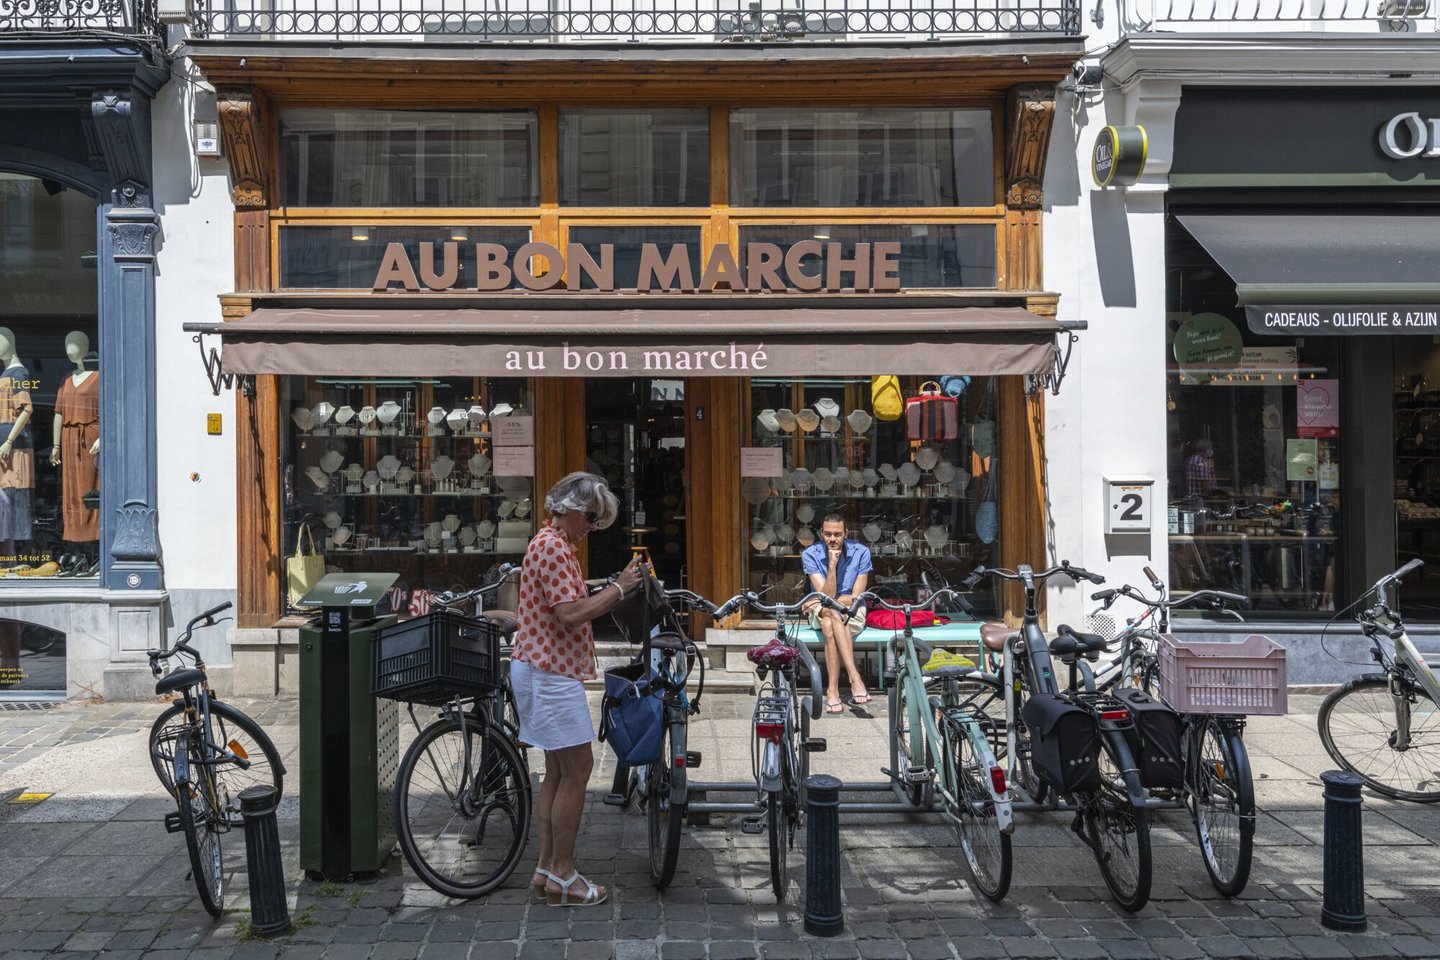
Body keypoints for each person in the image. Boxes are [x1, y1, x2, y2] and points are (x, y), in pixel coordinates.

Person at [510, 471, 644, 908]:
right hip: (548, 673)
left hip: (544, 669)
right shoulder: (552, 547)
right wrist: (619, 588)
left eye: (598, 520)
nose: (593, 526)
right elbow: (569, 614)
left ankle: (547, 869)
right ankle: (564, 875)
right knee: (579, 768)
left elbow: (565, 603)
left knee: (558, 771)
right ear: (567, 507)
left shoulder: (554, 544)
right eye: (590, 517)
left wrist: (611, 588)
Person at [801, 512, 873, 713]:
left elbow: (856, 596)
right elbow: (826, 597)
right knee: (832, 613)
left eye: (837, 534)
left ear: (846, 533)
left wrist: (825, 601)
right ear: (821, 533)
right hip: (825, 608)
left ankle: (832, 690)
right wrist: (832, 566)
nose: (832, 539)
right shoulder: (810, 554)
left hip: (851, 611)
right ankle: (854, 677)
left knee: (829, 622)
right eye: (828, 534)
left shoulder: (861, 552)